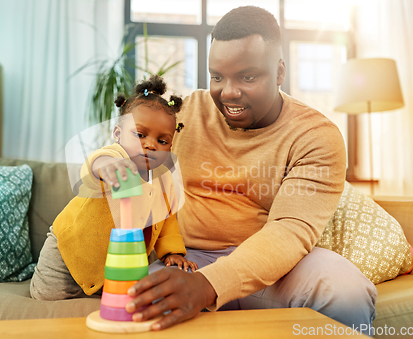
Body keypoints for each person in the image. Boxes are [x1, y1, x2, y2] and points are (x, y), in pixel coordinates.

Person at [105, 6, 377, 335]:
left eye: (247, 77)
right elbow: (126, 164)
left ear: (279, 72)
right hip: (186, 257)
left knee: (345, 288)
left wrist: (207, 285)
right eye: (217, 76)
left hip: (275, 268)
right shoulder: (183, 114)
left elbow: (290, 231)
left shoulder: (315, 136)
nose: (228, 91)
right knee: (138, 299)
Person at [30, 75, 197, 301]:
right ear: (118, 134)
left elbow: (167, 219)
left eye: (163, 141)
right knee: (45, 296)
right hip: (72, 251)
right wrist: (106, 167)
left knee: (121, 302)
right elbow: (95, 163)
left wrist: (173, 252)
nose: (150, 144)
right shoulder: (116, 157)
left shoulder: (163, 179)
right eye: (139, 134)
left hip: (120, 259)